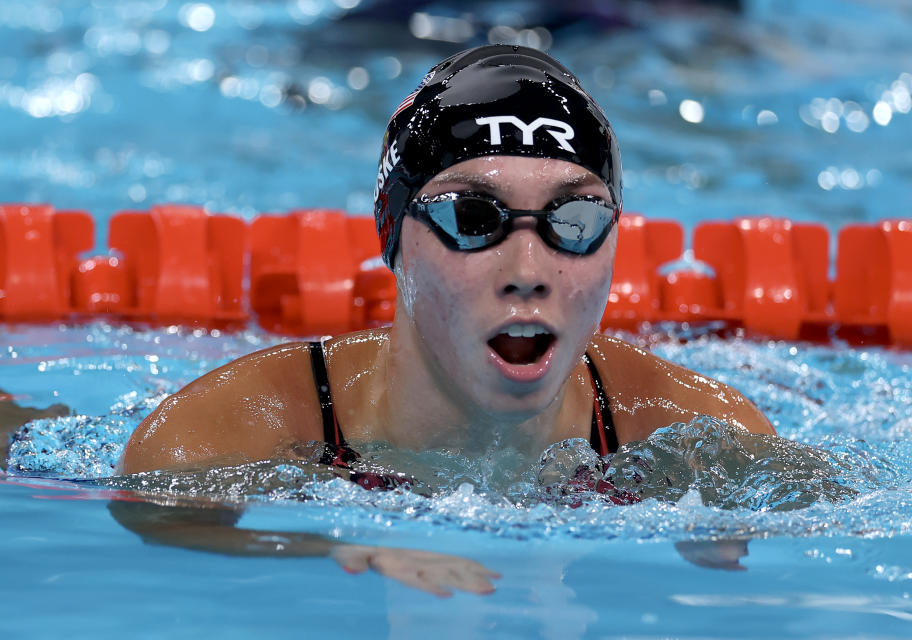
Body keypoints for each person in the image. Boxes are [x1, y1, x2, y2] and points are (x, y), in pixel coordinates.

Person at [114, 44, 775, 597]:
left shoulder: (697, 431)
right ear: (394, 239)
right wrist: (333, 549)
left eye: (575, 222)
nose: (529, 268)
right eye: (473, 218)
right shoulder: (235, 429)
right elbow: (154, 516)